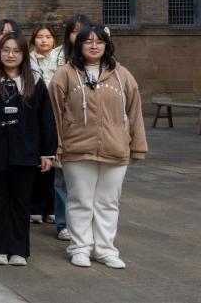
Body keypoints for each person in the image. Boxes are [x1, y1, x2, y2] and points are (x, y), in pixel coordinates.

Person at [50, 25, 147, 269]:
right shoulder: (65, 74)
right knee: (80, 200)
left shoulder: (122, 75)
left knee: (108, 202)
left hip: (115, 148)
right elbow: (54, 113)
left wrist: (137, 145)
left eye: (99, 41)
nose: (94, 46)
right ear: (78, 45)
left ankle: (105, 249)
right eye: (88, 41)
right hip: (76, 148)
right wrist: (56, 145)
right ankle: (80, 248)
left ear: (107, 45)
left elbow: (134, 111)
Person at [0, 33, 56, 266]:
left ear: (24, 54)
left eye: (16, 51)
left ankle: (18, 249)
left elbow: (46, 119)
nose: (10, 55)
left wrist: (47, 152)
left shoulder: (34, 81)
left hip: (26, 152)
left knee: (21, 201)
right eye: (6, 50)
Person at [52, 14, 90, 242]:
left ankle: (85, 224)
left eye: (83, 30)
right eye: (75, 31)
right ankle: (63, 223)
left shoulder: (98, 59)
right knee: (62, 180)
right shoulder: (58, 57)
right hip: (65, 124)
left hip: (89, 127)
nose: (79, 35)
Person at [29, 23, 61, 224]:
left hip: (56, 114)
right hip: (35, 114)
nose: (44, 40)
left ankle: (51, 207)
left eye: (48, 37)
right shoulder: (28, 60)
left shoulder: (62, 60)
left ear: (54, 40)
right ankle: (35, 206)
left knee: (53, 163)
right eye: (40, 36)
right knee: (35, 164)